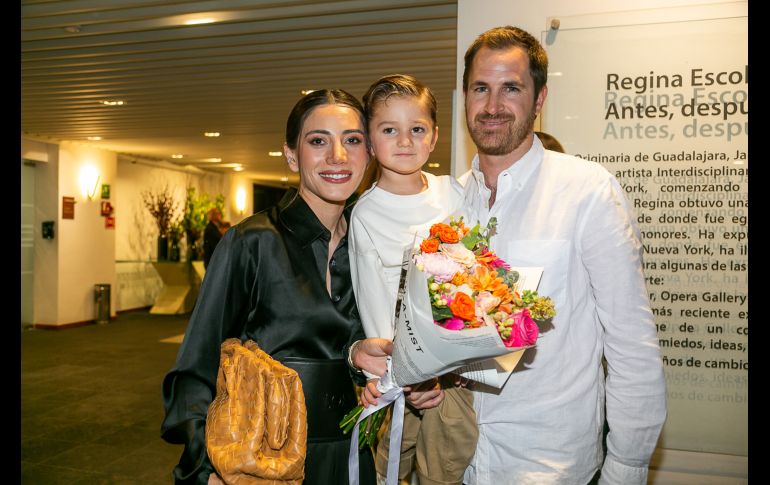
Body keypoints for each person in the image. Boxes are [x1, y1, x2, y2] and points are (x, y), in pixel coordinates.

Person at [458, 26, 667, 484]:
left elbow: (631, 345)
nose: (492, 106)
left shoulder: (587, 191)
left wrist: (626, 469)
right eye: (480, 88)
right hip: (457, 462)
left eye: (511, 88)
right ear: (465, 97)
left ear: (539, 99)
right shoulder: (451, 204)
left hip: (551, 467)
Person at [161, 89, 397, 485]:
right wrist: (209, 468)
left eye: (353, 140)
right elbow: (195, 369)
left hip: (350, 453)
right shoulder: (253, 241)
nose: (338, 155)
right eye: (318, 140)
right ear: (291, 156)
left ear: (369, 154)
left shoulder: (373, 243)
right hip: (264, 457)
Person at [348, 74, 472, 485]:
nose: (405, 141)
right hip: (402, 375)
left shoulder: (451, 192)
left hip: (455, 370)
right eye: (389, 130)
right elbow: (372, 303)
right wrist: (390, 377)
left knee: (445, 467)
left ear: (434, 137)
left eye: (416, 129)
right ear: (369, 139)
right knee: (388, 468)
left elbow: (475, 272)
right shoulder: (366, 213)